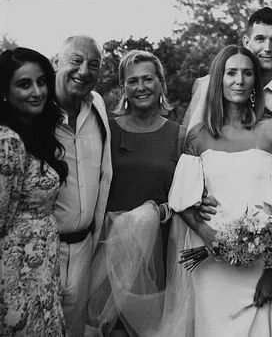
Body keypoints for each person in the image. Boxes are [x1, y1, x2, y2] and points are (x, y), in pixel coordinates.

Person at [169, 45, 272, 337]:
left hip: (263, 264)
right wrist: (206, 234)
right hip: (213, 266)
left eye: (247, 73)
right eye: (231, 73)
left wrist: (271, 272)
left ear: (256, 80)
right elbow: (181, 201)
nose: (239, 80)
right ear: (219, 78)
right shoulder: (198, 135)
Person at [0, 47, 68, 336]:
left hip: (36, 272)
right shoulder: (6, 142)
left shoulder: (30, 133)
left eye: (41, 82)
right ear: (5, 92)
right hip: (9, 279)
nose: (37, 92)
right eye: (24, 84)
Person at [86, 50, 185, 336]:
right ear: (123, 88)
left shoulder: (179, 135)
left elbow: (184, 197)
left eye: (148, 79)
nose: (141, 87)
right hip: (105, 252)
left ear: (161, 83)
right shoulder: (105, 131)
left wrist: (159, 212)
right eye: (132, 81)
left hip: (157, 251)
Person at [53, 35, 113, 335]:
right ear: (56, 62)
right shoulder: (33, 109)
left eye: (93, 65)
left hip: (84, 249)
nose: (84, 71)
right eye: (76, 61)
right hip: (43, 250)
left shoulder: (97, 105)